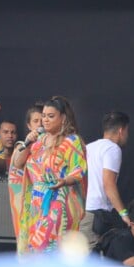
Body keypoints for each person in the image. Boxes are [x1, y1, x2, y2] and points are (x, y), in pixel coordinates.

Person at [10, 96, 87, 254]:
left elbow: (79, 169)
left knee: (50, 248)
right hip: (36, 203)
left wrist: (64, 181)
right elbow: (17, 163)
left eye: (50, 116)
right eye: (43, 116)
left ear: (63, 118)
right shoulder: (39, 140)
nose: (45, 120)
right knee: (35, 249)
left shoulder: (71, 141)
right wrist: (27, 141)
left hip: (58, 201)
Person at [82, 111, 130, 253]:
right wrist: (124, 213)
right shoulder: (112, 148)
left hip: (81, 212)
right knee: (92, 263)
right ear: (121, 130)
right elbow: (108, 184)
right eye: (127, 131)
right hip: (95, 214)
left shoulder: (89, 147)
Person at [8, 102, 44, 237]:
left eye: (43, 119)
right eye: (36, 121)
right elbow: (17, 163)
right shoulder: (23, 145)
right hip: (29, 205)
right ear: (29, 125)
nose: (40, 124)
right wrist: (29, 143)